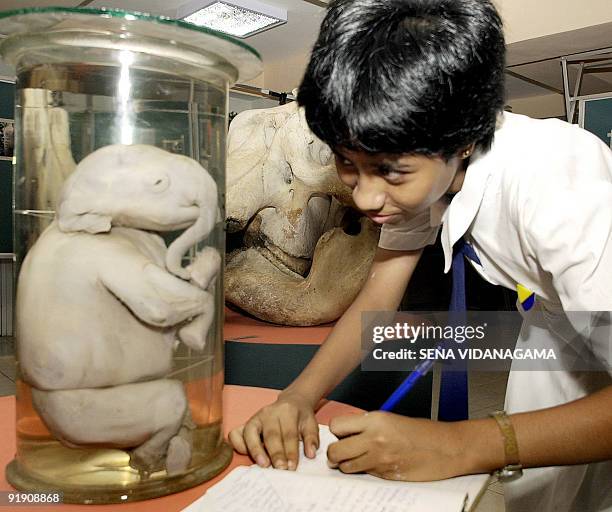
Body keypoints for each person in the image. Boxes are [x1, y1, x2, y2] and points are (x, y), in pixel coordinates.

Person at [228, 0, 612, 510]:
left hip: (596, 300)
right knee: (539, 491)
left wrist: (460, 443)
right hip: (560, 319)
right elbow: (378, 298)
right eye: (347, 162)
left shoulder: (560, 187)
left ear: (467, 140)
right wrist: (297, 398)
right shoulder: (422, 173)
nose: (364, 198)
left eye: (389, 171)